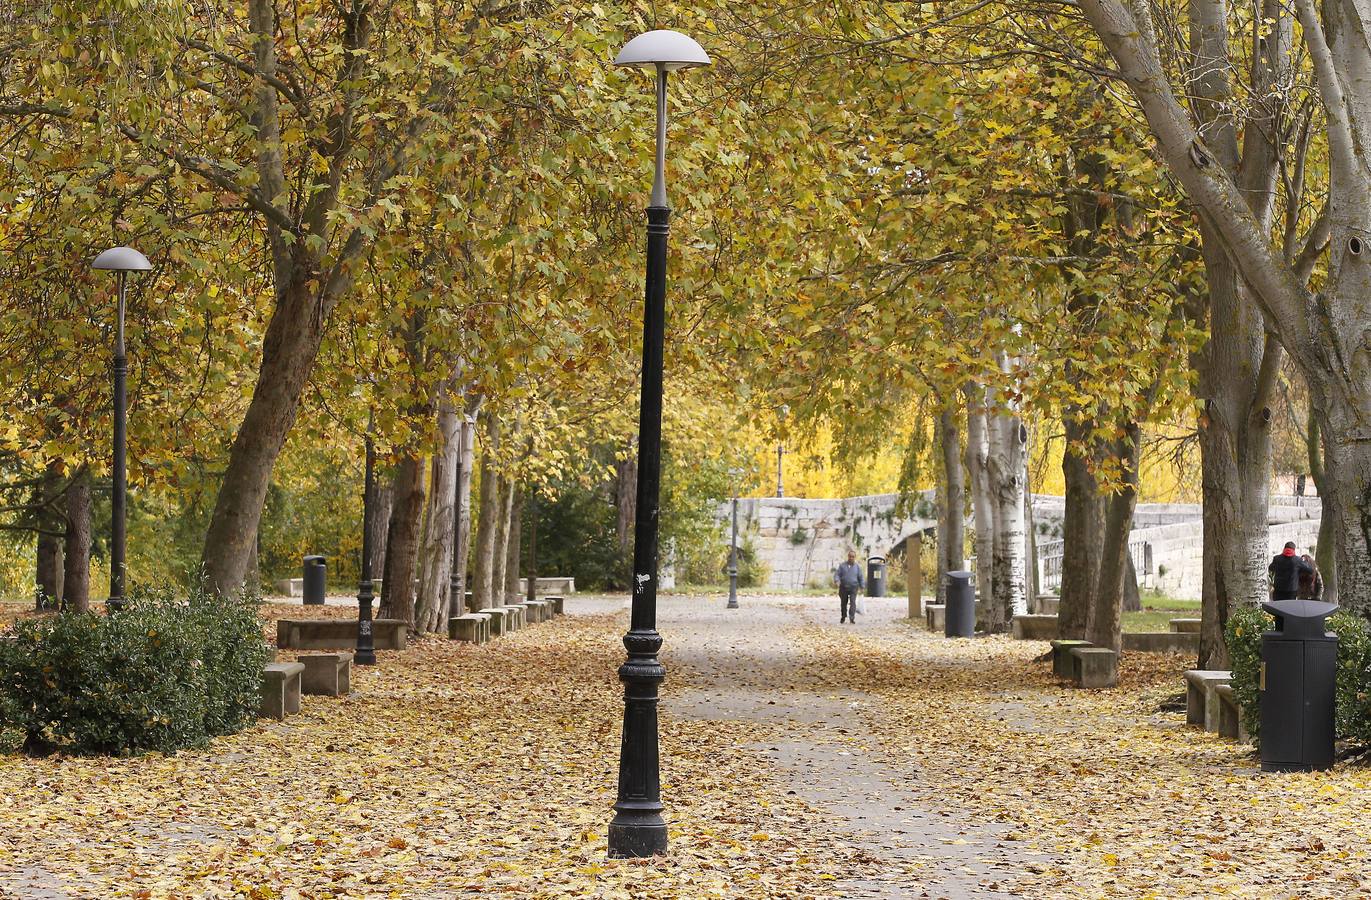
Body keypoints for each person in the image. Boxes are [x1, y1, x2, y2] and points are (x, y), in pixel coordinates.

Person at [834, 550, 864, 624]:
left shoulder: (857, 567)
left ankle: (852, 618)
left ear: (855, 557)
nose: (851, 558)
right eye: (850, 556)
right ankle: (843, 616)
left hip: (854, 587)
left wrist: (862, 586)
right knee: (843, 603)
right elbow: (837, 574)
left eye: (853, 557)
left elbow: (861, 577)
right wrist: (837, 581)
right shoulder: (842, 566)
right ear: (848, 557)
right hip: (843, 587)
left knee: (853, 603)